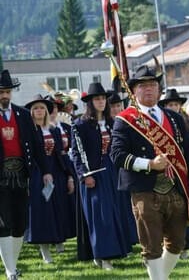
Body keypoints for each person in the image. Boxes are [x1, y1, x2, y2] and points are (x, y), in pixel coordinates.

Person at [110, 65, 189, 279]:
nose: (149, 90)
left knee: (177, 243)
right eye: (142, 86)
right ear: (133, 91)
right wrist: (149, 164)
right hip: (144, 189)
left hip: (176, 187)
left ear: (159, 89)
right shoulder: (125, 119)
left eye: (153, 85)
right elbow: (116, 155)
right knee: (151, 244)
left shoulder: (174, 117)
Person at [71, 83, 132, 270]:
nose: (101, 102)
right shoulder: (80, 125)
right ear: (90, 102)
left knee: (116, 211)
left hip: (113, 173)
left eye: (103, 99)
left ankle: (119, 249)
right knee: (100, 215)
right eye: (97, 99)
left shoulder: (114, 122)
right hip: (94, 174)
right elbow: (77, 153)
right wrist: (84, 175)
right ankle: (103, 256)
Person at [0, 70, 52, 280]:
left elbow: (38, 146)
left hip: (22, 175)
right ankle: (10, 270)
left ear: (12, 93)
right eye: (1, 92)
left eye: (7, 92)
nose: (4, 96)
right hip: (0, 176)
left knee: (20, 223)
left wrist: (46, 171)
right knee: (4, 223)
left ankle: (13, 264)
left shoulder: (23, 114)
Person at [25, 95, 74, 264]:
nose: (39, 111)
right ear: (31, 112)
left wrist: (68, 176)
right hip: (37, 173)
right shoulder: (28, 131)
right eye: (36, 108)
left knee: (57, 208)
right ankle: (45, 251)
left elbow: (60, 154)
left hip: (56, 171)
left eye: (41, 108)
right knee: (42, 212)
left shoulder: (53, 130)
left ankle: (59, 241)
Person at [159, 88, 189, 259]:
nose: (173, 107)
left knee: (188, 208)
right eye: (170, 104)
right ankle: (171, 246)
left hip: (185, 171)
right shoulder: (160, 123)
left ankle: (188, 246)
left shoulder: (188, 124)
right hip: (166, 172)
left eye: (176, 104)